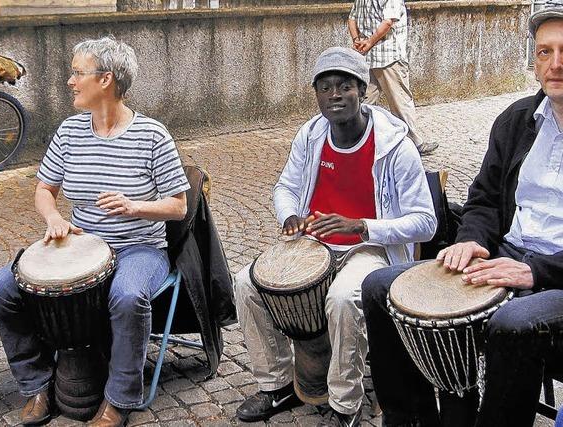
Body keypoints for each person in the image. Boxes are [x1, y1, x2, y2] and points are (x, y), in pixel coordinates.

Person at [362, 4, 563, 426]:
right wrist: (471, 239)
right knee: (381, 286)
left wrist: (537, 273)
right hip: (505, 256)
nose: (555, 64)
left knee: (512, 323)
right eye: (544, 52)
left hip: (555, 276)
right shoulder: (517, 120)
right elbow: (485, 199)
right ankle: (412, 420)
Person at [0, 37, 190, 427]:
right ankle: (36, 385)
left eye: (78, 73)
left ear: (106, 79)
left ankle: (118, 400)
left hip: (138, 248)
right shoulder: (68, 132)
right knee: (0, 288)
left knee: (128, 296)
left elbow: (178, 205)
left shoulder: (152, 136)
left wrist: (136, 206)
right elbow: (45, 190)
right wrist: (53, 219)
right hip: (79, 245)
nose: (70, 81)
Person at [234, 46, 437, 427]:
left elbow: (426, 222)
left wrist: (361, 225)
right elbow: (286, 187)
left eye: (344, 86)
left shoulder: (396, 145)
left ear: (363, 90)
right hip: (315, 244)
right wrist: (290, 214)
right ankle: (276, 385)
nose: (334, 95)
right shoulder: (310, 136)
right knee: (246, 283)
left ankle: (345, 403)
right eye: (325, 88)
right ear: (317, 96)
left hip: (371, 247)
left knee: (343, 297)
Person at [347, 0, 437, 155]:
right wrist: (369, 42)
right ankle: (414, 143)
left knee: (363, 101)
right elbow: (388, 22)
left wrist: (357, 41)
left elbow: (352, 19)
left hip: (367, 57)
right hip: (389, 56)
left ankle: (350, 138)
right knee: (401, 101)